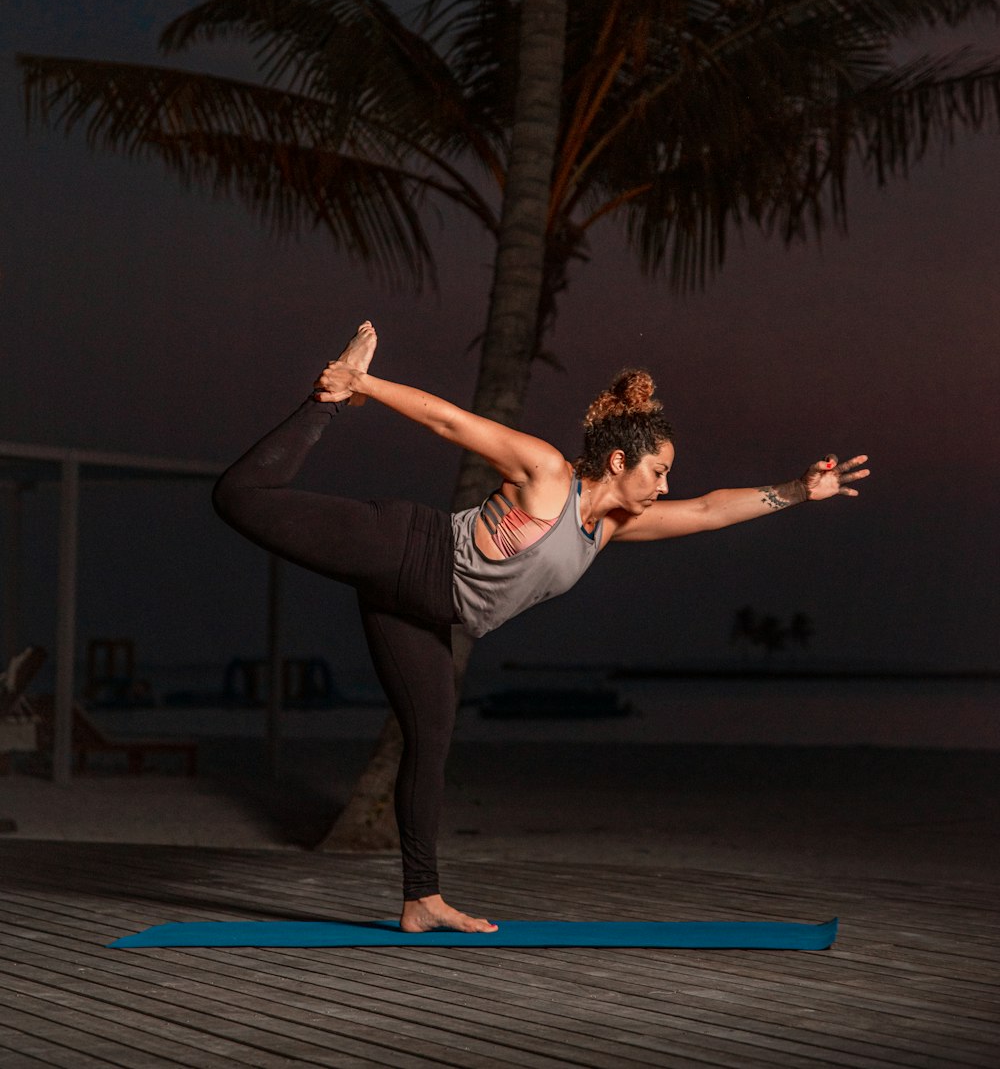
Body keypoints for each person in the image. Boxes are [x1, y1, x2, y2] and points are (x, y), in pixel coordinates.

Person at [212, 321, 869, 934]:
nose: (667, 485)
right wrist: (360, 384)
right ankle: (326, 397)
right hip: (406, 548)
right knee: (239, 498)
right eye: (659, 470)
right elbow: (450, 422)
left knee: (430, 735)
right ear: (619, 461)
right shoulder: (547, 474)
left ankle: (422, 898)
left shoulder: (612, 527)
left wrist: (794, 489)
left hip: (422, 610)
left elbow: (708, 511)